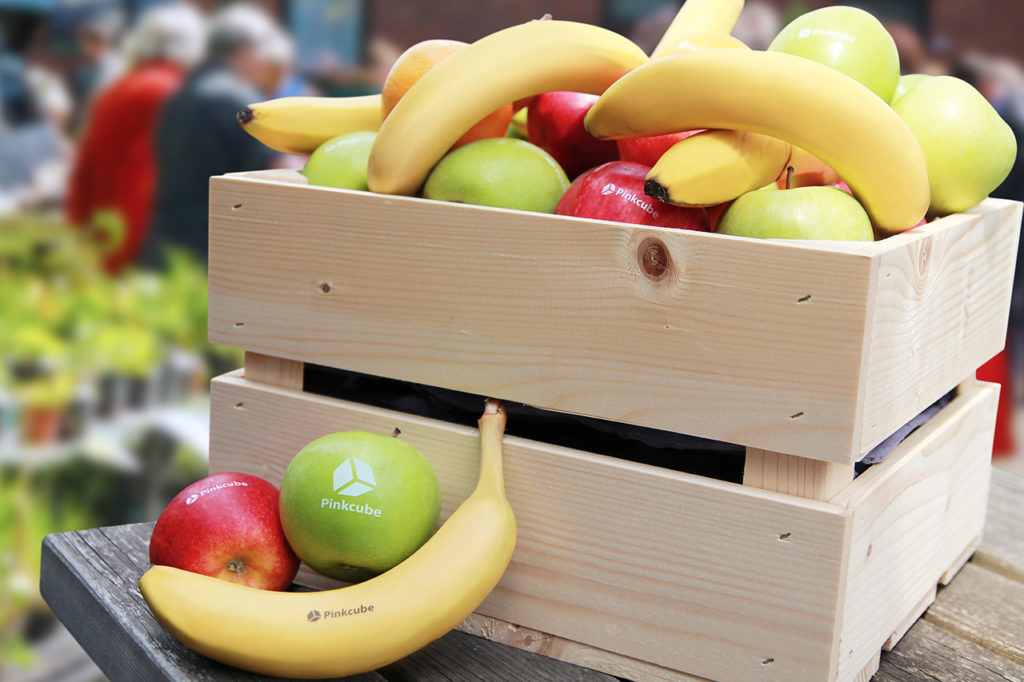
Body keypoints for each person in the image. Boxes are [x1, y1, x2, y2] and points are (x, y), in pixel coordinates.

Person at [141, 4, 285, 269]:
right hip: (208, 251)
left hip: (162, 242)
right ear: (244, 50)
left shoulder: (180, 96)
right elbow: (280, 172)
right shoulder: (240, 100)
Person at [65, 3, 206, 273]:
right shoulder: (172, 92)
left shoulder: (118, 89)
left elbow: (85, 166)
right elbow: (149, 174)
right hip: (138, 234)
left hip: (102, 228)